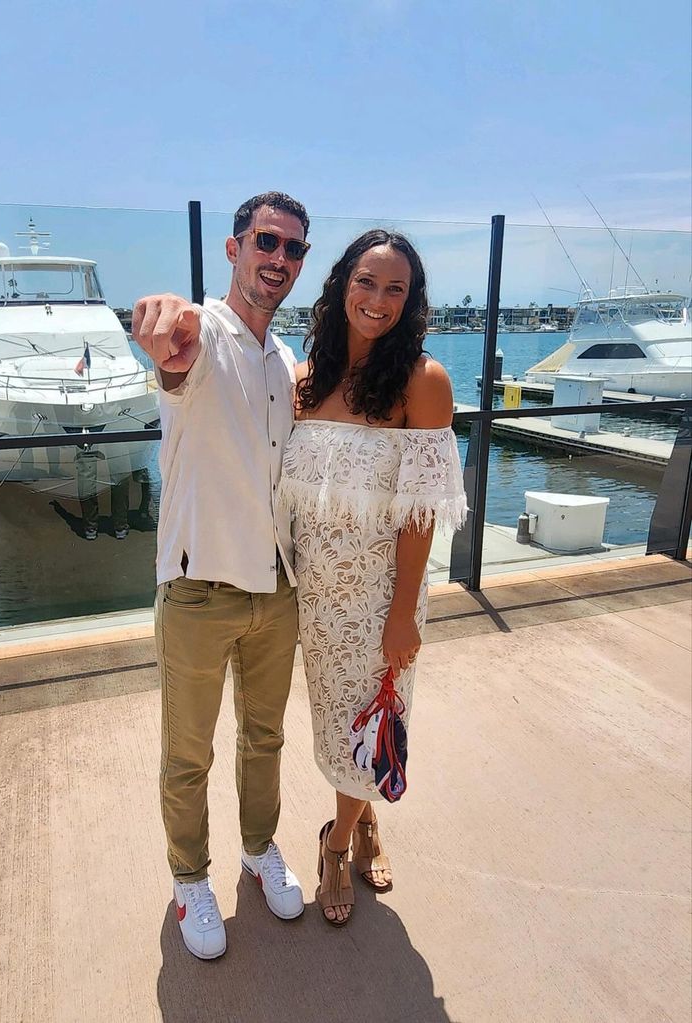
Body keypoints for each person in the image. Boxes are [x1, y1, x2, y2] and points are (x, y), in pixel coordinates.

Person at [131, 192, 311, 960]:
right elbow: (174, 354)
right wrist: (164, 336)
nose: (278, 257)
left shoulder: (284, 359)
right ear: (236, 248)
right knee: (188, 752)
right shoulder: (201, 333)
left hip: (276, 588)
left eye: (294, 248)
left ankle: (258, 845)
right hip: (200, 588)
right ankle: (188, 878)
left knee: (264, 738)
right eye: (266, 240)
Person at [278, 229, 467, 926]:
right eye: (366, 281)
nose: (377, 299)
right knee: (336, 720)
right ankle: (363, 820)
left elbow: (419, 511)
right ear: (340, 285)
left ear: (411, 300)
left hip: (381, 595)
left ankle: (334, 843)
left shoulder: (422, 381)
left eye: (395, 288)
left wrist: (402, 614)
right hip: (316, 595)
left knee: (375, 710)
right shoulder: (306, 376)